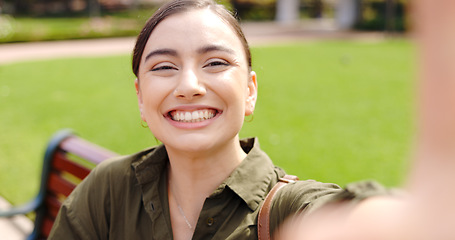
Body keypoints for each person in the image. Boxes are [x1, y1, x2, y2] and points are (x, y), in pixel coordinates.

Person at [49, 0, 390, 239]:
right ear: (140, 96)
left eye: (215, 63)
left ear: (250, 91)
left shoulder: (288, 212)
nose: (188, 87)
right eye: (164, 67)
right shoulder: (108, 190)